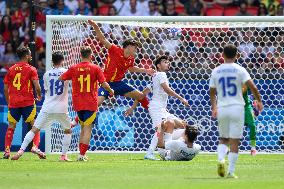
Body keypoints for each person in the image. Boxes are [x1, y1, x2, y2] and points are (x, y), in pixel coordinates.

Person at [70, 20, 155, 126]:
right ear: (128, 46)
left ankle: (154, 114)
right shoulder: (114, 50)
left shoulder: (131, 58)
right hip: (106, 83)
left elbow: (131, 68)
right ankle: (75, 120)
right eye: (135, 47)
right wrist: (96, 26)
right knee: (95, 103)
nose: (136, 49)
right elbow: (103, 39)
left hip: (118, 84)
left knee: (141, 96)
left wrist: (146, 70)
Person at [209, 44, 263, 178]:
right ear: (237, 55)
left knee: (223, 138)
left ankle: (221, 160)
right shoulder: (240, 69)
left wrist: (214, 107)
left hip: (222, 107)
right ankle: (231, 172)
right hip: (238, 107)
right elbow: (253, 87)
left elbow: (212, 91)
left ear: (222, 55)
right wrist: (259, 101)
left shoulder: (216, 71)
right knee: (234, 141)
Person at [11, 52, 72, 161]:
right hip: (62, 108)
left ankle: (20, 151)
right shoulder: (67, 72)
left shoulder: (46, 74)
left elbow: (47, 89)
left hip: (48, 107)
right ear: (63, 60)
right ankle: (63, 156)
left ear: (52, 61)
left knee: (33, 130)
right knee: (67, 131)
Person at [125, 55, 189, 160]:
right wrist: (181, 98)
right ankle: (150, 153)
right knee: (160, 129)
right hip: (156, 108)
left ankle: (169, 150)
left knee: (181, 124)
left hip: (161, 109)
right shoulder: (161, 74)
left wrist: (132, 107)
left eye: (168, 62)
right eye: (164, 62)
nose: (167, 63)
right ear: (158, 66)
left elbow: (141, 95)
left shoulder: (154, 78)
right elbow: (167, 90)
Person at [59, 46, 114, 161]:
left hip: (78, 103)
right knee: (87, 129)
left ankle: (81, 154)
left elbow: (61, 78)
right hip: (90, 102)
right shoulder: (95, 68)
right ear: (91, 55)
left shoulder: (74, 68)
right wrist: (110, 91)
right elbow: (103, 84)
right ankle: (82, 155)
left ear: (80, 55)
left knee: (83, 128)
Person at [3, 46, 43, 159]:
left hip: (14, 103)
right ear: (26, 56)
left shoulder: (11, 69)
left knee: (11, 126)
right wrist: (39, 95)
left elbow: (5, 89)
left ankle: (7, 151)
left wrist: (8, 102)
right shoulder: (31, 69)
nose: (31, 56)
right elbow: (37, 86)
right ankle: (35, 147)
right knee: (35, 125)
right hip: (28, 102)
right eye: (30, 54)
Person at [242, 85, 259, 156]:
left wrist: (256, 103)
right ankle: (228, 148)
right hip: (235, 107)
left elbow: (253, 88)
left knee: (252, 126)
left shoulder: (244, 79)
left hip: (246, 107)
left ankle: (253, 148)